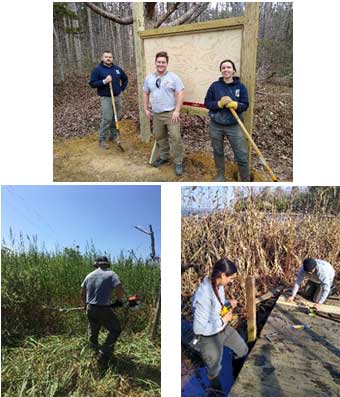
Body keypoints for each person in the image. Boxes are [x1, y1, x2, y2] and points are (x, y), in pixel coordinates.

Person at [192, 258, 248, 391]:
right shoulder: (203, 295)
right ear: (223, 275)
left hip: (222, 328)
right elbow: (198, 328)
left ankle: (236, 378)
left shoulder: (219, 285)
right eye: (231, 278)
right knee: (214, 368)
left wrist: (227, 303)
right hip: (208, 336)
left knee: (242, 350)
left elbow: (215, 307)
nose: (232, 281)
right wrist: (223, 320)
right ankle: (215, 389)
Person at [204, 59, 250, 182]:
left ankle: (245, 179)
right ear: (221, 70)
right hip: (216, 125)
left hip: (234, 125)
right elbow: (207, 103)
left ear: (233, 70)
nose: (226, 70)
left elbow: (245, 105)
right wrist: (219, 103)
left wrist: (235, 104)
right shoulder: (215, 86)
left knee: (241, 154)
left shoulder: (241, 87)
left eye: (228, 67)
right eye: (223, 68)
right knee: (218, 151)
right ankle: (220, 175)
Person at [143, 51, 185, 176]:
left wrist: (177, 111)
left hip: (171, 113)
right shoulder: (149, 78)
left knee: (175, 137)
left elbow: (180, 93)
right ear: (155, 62)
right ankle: (165, 157)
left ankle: (178, 162)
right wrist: (146, 109)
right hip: (156, 114)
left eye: (163, 62)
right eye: (159, 62)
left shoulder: (173, 77)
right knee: (160, 137)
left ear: (167, 63)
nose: (161, 64)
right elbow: (145, 93)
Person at [80, 256, 124, 369]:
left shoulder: (89, 275)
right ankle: (103, 354)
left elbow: (82, 292)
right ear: (106, 264)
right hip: (103, 308)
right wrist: (119, 301)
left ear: (97, 264)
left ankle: (93, 354)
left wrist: (85, 305)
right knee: (115, 329)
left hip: (90, 308)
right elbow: (119, 287)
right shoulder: (111, 274)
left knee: (93, 331)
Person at [89, 51, 128, 149]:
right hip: (106, 98)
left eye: (110, 57)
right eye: (106, 57)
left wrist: (121, 88)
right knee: (107, 118)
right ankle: (102, 139)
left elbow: (125, 79)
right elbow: (92, 83)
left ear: (112, 58)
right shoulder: (98, 70)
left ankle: (113, 136)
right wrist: (104, 81)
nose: (108, 58)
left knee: (116, 117)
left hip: (117, 97)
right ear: (103, 58)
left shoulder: (117, 69)